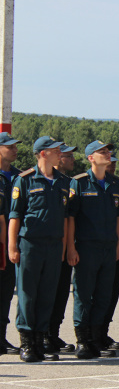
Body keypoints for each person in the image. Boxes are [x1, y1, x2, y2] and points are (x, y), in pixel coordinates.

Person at [9, 136, 70, 362]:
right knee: (27, 294)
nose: (60, 154)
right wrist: (12, 246)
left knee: (47, 294)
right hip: (30, 244)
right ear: (43, 153)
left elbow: (64, 217)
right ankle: (26, 342)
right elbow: (15, 215)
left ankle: (39, 340)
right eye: (56, 151)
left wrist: (64, 247)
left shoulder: (63, 182)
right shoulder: (24, 180)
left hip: (53, 245)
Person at [66, 140, 119, 358]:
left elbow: (118, 217)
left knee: (103, 295)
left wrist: (117, 245)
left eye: (108, 151)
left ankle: (97, 339)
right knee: (83, 294)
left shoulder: (115, 184)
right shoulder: (78, 183)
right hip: (86, 247)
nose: (108, 154)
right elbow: (70, 218)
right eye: (102, 152)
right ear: (90, 158)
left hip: (108, 248)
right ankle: (82, 340)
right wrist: (71, 247)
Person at [45, 143, 78, 355]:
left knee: (60, 293)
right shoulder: (36, 179)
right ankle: (42, 335)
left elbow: (71, 218)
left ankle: (53, 333)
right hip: (46, 246)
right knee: (45, 293)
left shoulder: (68, 183)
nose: (71, 160)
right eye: (67, 156)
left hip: (64, 247)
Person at [102, 152, 119, 351]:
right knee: (90, 294)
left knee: (109, 293)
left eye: (114, 163)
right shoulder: (80, 183)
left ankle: (102, 332)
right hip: (90, 247)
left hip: (113, 247)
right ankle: (89, 337)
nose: (112, 166)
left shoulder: (117, 185)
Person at [0, 132, 21, 355]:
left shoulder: (18, 177)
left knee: (6, 293)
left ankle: (1, 337)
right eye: (9, 146)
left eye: (15, 146)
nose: (15, 149)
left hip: (10, 244)